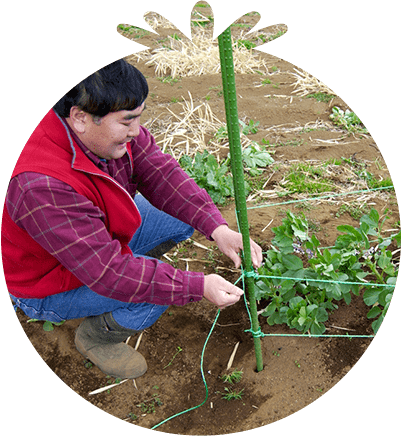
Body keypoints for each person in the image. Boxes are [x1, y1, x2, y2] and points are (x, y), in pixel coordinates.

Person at [1, 59, 262, 379]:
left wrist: (216, 226)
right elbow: (108, 272)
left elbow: (159, 171)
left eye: (138, 119)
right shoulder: (40, 185)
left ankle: (134, 267)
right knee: (152, 295)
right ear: (80, 118)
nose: (136, 132)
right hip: (48, 280)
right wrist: (195, 285)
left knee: (180, 221)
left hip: (93, 235)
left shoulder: (102, 127)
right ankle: (95, 338)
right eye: (127, 122)